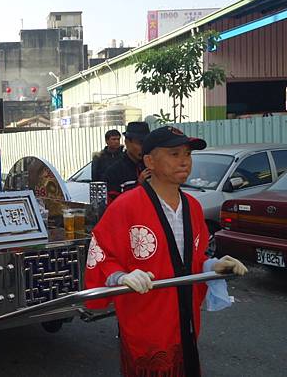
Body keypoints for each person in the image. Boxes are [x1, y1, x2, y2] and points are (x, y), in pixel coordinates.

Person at [84, 126, 248, 377]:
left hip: (185, 317)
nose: (184, 161)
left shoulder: (193, 206)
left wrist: (211, 267)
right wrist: (120, 277)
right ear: (149, 160)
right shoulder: (125, 206)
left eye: (187, 154)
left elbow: (191, 259)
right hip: (146, 315)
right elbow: (102, 254)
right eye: (174, 154)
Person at [103, 121, 151, 202]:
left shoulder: (152, 167)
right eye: (140, 143)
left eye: (147, 143)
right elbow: (114, 205)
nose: (143, 148)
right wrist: (138, 185)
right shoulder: (115, 171)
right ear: (127, 142)